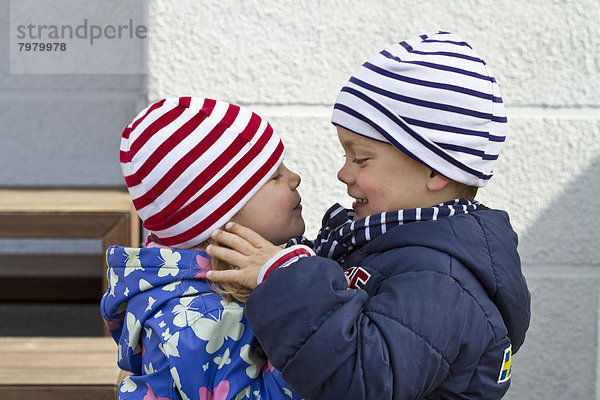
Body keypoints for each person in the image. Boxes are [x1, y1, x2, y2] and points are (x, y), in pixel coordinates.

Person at [205, 31, 531, 399]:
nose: (344, 173)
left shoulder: (441, 281)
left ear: (436, 171)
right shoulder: (381, 242)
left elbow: (361, 381)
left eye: (360, 158)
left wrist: (283, 276)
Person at [100, 96, 306, 400]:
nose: (294, 178)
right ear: (224, 220)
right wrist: (306, 312)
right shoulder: (201, 319)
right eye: (274, 176)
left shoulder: (215, 291)